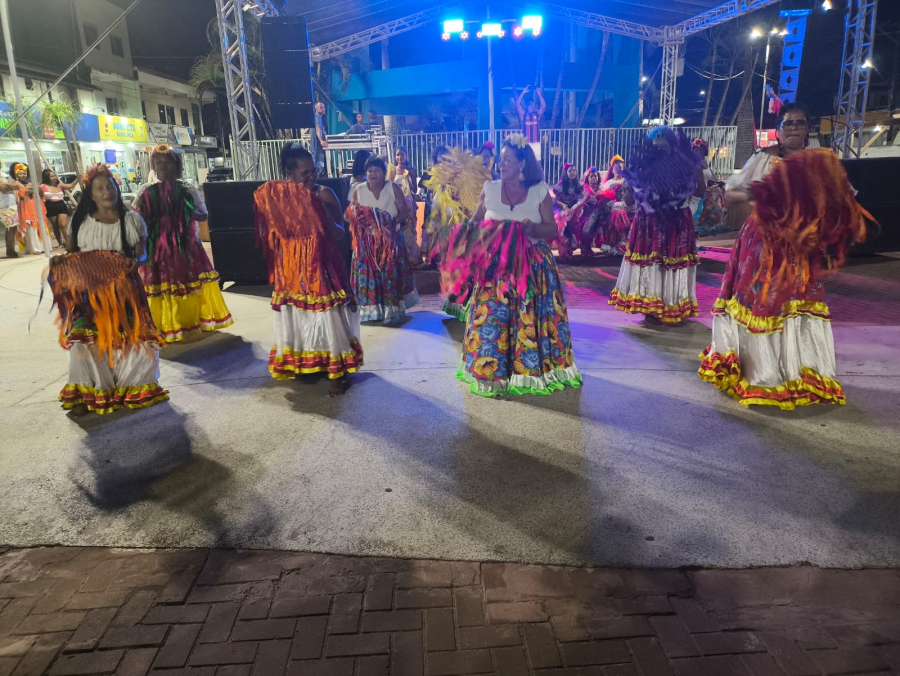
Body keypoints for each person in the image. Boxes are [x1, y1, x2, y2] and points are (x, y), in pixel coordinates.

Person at [699, 147, 870, 409]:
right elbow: (730, 195)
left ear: (806, 127)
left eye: (798, 122)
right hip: (761, 242)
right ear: (779, 128)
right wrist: (758, 195)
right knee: (761, 302)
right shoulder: (763, 158)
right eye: (788, 123)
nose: (793, 128)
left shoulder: (816, 162)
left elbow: (840, 199)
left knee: (793, 304)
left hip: (797, 245)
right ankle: (761, 372)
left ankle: (796, 373)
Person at [453, 134, 581, 396]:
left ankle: (528, 373)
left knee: (529, 318)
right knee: (492, 318)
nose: (501, 164)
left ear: (522, 164)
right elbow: (475, 222)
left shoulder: (539, 191)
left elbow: (551, 229)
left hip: (532, 267)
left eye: (507, 160)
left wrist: (533, 227)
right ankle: (492, 371)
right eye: (500, 160)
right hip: (494, 269)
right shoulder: (489, 189)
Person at [56, 164, 166, 417]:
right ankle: (89, 393)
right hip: (89, 292)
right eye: (100, 188)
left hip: (125, 290)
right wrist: (62, 264)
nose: (107, 192)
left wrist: (134, 263)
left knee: (132, 339)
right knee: (86, 342)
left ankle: (133, 387)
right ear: (90, 194)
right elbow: (72, 253)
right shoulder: (80, 220)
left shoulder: (131, 220)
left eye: (110, 187)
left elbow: (143, 253)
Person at [254, 144, 362, 397]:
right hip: (291, 267)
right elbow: (273, 234)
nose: (312, 177)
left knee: (326, 314)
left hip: (320, 264)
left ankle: (337, 373)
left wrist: (320, 215)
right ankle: (306, 363)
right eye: (305, 173)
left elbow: (338, 234)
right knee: (298, 314)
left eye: (314, 171)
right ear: (289, 174)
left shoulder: (324, 194)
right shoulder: (278, 198)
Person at [133, 145, 233, 342]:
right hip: (157, 250)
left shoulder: (187, 189)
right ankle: (164, 324)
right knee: (159, 286)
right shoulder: (146, 190)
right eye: (159, 162)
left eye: (167, 162)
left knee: (186, 285)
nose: (163, 166)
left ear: (175, 165)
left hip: (185, 248)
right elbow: (135, 215)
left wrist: (184, 209)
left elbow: (203, 215)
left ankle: (185, 323)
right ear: (153, 165)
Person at [608, 126, 705, 324]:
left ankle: (672, 304)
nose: (660, 150)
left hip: (676, 219)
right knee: (652, 262)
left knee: (671, 262)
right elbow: (629, 201)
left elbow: (700, 191)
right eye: (656, 147)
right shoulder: (643, 166)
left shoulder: (685, 164)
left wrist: (696, 169)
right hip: (649, 221)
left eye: (664, 146)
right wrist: (631, 180)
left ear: (672, 146)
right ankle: (651, 305)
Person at [347, 155, 419, 324]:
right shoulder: (359, 189)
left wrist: (388, 223)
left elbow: (404, 212)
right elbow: (349, 214)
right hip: (367, 243)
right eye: (370, 171)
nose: (373, 174)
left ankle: (390, 311)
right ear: (365, 173)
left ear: (384, 173)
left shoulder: (393, 188)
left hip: (391, 239)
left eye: (377, 170)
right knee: (369, 277)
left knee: (389, 275)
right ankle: (371, 311)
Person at [387, 146, 421, 265]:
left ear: (406, 156)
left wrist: (408, 182)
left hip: (408, 202)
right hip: (396, 202)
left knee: (409, 228)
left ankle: (412, 258)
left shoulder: (411, 170)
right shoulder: (391, 170)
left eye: (402, 154)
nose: (400, 157)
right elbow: (388, 186)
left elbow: (415, 189)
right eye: (397, 155)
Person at [9, 163, 50, 255]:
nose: (23, 175)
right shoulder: (13, 183)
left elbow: (39, 189)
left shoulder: (30, 183)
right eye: (20, 174)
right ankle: (34, 248)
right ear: (16, 174)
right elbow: (20, 192)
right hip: (24, 207)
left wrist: (30, 188)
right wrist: (29, 189)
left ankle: (43, 247)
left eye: (24, 173)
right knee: (30, 227)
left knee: (40, 224)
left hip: (36, 207)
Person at [689, 139, 727, 238]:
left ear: (704, 151)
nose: (697, 152)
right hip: (694, 195)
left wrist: (716, 183)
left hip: (703, 194)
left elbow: (707, 177)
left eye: (700, 150)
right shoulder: (691, 162)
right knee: (693, 219)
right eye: (695, 149)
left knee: (699, 221)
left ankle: (695, 243)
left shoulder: (704, 160)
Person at [551, 163, 587, 261]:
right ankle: (563, 250)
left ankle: (570, 249)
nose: (572, 173)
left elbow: (581, 198)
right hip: (560, 208)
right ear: (566, 172)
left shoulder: (579, 185)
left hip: (574, 209)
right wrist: (564, 206)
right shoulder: (560, 185)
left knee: (574, 225)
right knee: (562, 224)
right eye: (570, 171)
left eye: (574, 170)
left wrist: (576, 206)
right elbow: (557, 200)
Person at [41, 168, 79, 248]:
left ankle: (69, 243)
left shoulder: (60, 185)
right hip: (50, 207)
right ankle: (60, 243)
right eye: (51, 176)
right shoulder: (42, 186)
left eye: (55, 175)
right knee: (55, 227)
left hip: (61, 206)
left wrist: (78, 178)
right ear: (47, 178)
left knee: (63, 225)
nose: (54, 177)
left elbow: (71, 185)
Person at [515, 86, 546, 161]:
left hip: (536, 142)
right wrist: (523, 92)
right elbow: (517, 105)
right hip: (526, 143)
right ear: (527, 105)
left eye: (533, 104)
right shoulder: (524, 114)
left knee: (536, 161)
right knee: (526, 161)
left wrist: (539, 94)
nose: (532, 105)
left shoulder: (536, 114)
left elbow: (544, 106)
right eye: (530, 104)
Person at [1, 168, 20, 258]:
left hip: (11, 204)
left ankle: (11, 250)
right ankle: (10, 251)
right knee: (9, 227)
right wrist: (10, 185)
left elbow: (17, 186)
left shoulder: (4, 174)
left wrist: (7, 184)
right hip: (3, 205)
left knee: (13, 227)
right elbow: (4, 188)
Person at [310, 101, 329, 176]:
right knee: (319, 167)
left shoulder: (319, 117)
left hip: (317, 146)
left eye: (324, 107)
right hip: (317, 146)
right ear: (316, 109)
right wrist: (321, 141)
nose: (323, 109)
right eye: (321, 107)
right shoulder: (317, 116)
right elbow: (318, 129)